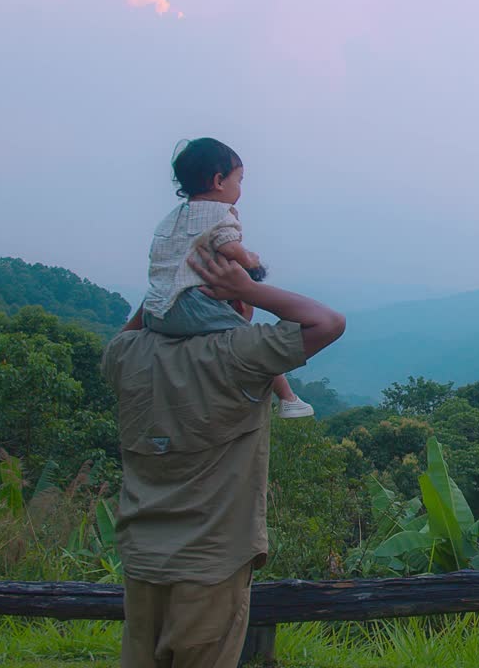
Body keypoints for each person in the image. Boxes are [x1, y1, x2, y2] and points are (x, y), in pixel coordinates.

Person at [102, 245, 345, 667]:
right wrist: (246, 289)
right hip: (211, 561)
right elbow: (328, 322)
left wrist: (167, 289)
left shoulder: (127, 355)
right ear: (235, 301)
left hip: (141, 555)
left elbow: (128, 333)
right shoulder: (240, 354)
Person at [138, 136, 314, 418]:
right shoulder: (220, 214)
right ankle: (288, 398)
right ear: (219, 181)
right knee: (255, 345)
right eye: (239, 180)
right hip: (190, 305)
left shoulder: (171, 219)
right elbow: (229, 246)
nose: (240, 188)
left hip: (155, 310)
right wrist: (249, 260)